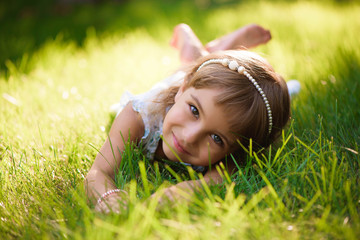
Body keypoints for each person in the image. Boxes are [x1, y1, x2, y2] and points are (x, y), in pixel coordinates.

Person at [85, 23, 295, 213]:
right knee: (192, 62)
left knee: (206, 73)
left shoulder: (231, 146)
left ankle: (222, 50)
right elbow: (98, 172)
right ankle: (200, 43)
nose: (190, 137)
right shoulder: (139, 115)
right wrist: (107, 197)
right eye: (194, 111)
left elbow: (222, 175)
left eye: (216, 138)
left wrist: (190, 188)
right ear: (183, 90)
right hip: (177, 85)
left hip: (198, 87)